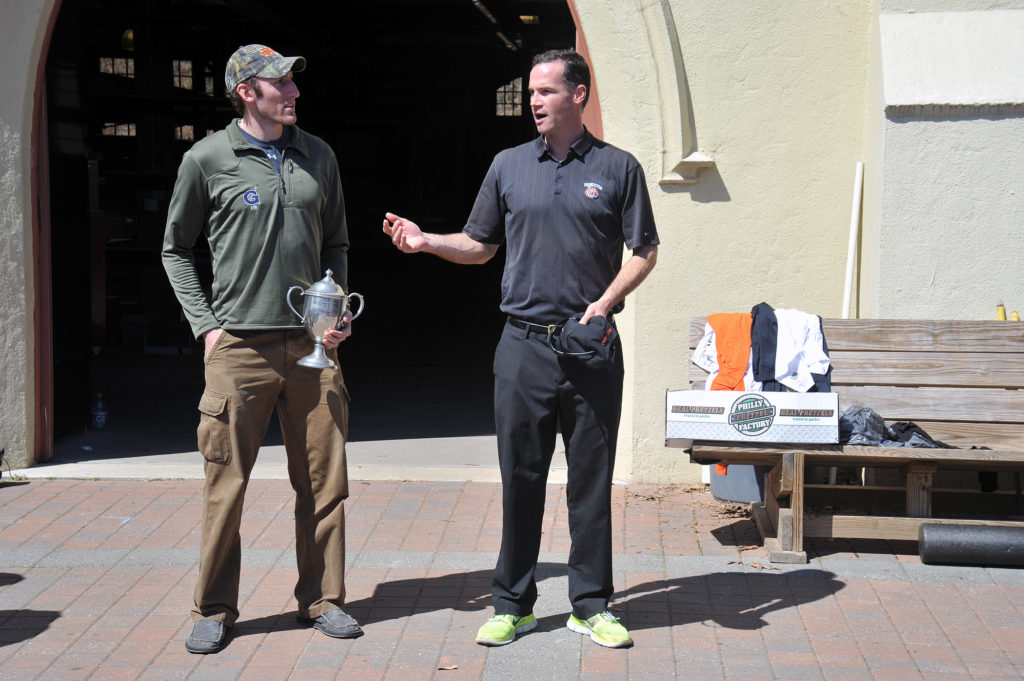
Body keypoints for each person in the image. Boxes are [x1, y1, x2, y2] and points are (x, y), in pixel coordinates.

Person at [383, 48, 659, 649]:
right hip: (522, 348)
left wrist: (605, 302)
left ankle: (591, 604)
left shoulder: (618, 168)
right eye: (531, 92)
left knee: (591, 481)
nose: (534, 101)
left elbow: (644, 251)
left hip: (590, 350)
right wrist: (425, 240)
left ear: (579, 94)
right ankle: (513, 602)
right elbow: (480, 245)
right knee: (521, 478)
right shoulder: (508, 165)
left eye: (546, 91)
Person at [163, 44, 362, 654]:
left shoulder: (317, 156)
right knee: (227, 484)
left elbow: (336, 244)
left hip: (312, 348)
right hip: (238, 350)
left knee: (326, 482)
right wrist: (206, 325)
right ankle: (214, 609)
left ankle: (323, 599)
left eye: (294, 85)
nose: (295, 93)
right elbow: (176, 249)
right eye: (283, 84)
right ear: (247, 91)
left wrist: (335, 308)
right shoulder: (207, 159)